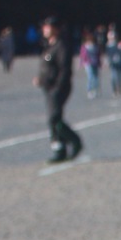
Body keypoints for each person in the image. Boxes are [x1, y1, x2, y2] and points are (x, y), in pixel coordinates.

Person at [36, 17, 82, 163]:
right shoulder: (48, 46)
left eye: (48, 27)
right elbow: (47, 67)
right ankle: (59, 149)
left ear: (56, 29)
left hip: (58, 88)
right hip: (48, 87)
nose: (44, 30)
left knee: (54, 118)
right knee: (54, 120)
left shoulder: (61, 46)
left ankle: (74, 140)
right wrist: (41, 79)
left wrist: (58, 86)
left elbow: (64, 69)